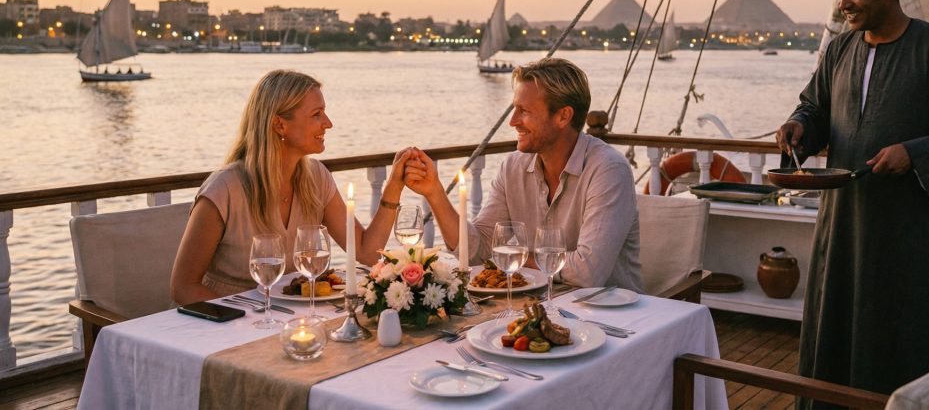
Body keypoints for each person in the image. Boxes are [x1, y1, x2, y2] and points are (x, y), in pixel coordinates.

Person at [775, 0, 929, 403]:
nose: (844, 4)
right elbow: (816, 107)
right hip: (845, 230)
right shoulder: (839, 51)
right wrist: (800, 126)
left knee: (912, 338)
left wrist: (915, 153)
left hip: (915, 239)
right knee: (839, 336)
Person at [171, 69, 414, 305]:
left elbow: (365, 252)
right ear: (279, 125)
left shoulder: (316, 177)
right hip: (222, 325)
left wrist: (394, 186)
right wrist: (245, 321)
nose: (328, 123)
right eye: (317, 114)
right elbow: (183, 288)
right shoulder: (224, 189)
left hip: (289, 319)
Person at [403, 57, 643, 292]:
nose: (512, 121)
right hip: (539, 308)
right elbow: (479, 250)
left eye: (524, 111)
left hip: (613, 319)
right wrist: (435, 193)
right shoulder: (513, 168)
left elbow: (588, 272)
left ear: (563, 116)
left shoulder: (608, 171)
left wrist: (512, 256)